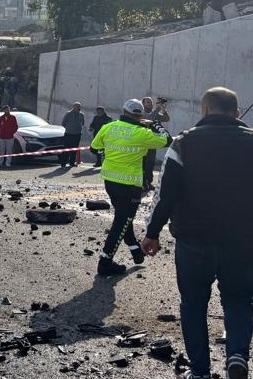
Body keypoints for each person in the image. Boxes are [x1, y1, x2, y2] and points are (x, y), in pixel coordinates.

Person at [141, 87, 253, 379]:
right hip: (245, 242)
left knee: (193, 305)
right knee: (238, 301)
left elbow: (167, 196)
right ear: (238, 113)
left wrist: (152, 233)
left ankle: (202, 378)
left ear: (205, 110)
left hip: (194, 240)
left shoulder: (184, 143)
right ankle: (237, 358)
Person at [90, 99, 170, 276]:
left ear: (124, 111)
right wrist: (154, 124)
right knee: (121, 222)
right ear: (140, 115)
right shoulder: (140, 132)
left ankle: (136, 251)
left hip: (110, 181)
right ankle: (105, 261)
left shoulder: (108, 127)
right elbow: (167, 140)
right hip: (130, 185)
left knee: (124, 219)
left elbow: (94, 148)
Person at [142, 96, 171, 191]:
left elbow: (166, 119)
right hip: (142, 143)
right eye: (148, 102)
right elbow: (150, 118)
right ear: (143, 104)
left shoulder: (154, 114)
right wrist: (158, 107)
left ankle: (148, 182)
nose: (150, 104)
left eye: (151, 102)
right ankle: (142, 183)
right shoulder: (142, 114)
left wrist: (163, 109)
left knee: (150, 163)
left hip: (152, 142)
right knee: (143, 164)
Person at [59, 102, 85, 167]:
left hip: (77, 134)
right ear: (73, 107)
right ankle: (63, 163)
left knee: (74, 149)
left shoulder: (81, 114)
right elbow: (63, 123)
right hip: (69, 134)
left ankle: (72, 163)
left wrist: (78, 129)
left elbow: (83, 123)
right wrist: (69, 128)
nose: (79, 108)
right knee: (66, 148)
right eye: (77, 106)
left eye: (79, 106)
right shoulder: (68, 114)